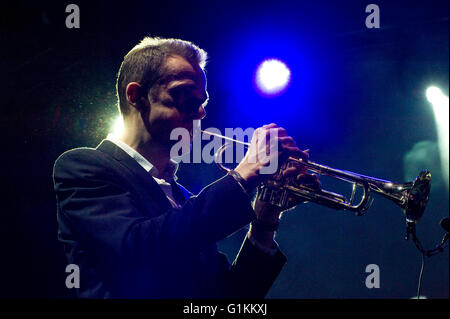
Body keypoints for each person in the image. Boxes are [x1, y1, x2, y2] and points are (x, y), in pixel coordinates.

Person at [53, 37, 317, 298]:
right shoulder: (83, 167)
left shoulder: (183, 199)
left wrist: (265, 216)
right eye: (186, 96)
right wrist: (244, 174)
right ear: (136, 96)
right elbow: (138, 249)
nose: (201, 112)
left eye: (202, 101)